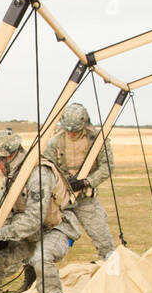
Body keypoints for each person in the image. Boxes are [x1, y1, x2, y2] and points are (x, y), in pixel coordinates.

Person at [0, 129, 80, 293]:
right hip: (28, 233)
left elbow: (34, 218)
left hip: (55, 229)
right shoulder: (12, 175)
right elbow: (12, 210)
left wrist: (2, 234)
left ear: (10, 155)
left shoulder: (38, 173)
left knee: (40, 259)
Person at [44, 102, 114, 259]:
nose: (70, 134)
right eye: (68, 130)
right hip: (60, 201)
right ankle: (32, 276)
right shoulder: (55, 141)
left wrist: (86, 182)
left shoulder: (96, 140)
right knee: (42, 242)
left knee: (104, 242)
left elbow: (107, 166)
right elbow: (45, 167)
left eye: (74, 131)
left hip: (85, 199)